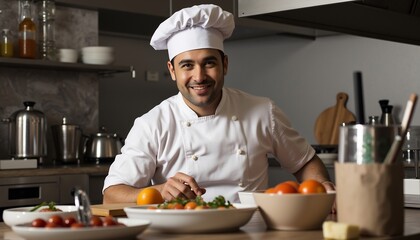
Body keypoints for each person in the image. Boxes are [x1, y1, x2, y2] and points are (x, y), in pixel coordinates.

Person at [103, 4, 334, 204]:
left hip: (253, 230)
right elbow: (112, 194)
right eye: (187, 66)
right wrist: (159, 191)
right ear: (172, 71)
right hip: (183, 234)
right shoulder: (152, 124)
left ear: (225, 64)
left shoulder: (263, 111)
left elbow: (305, 163)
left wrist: (322, 184)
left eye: (209, 63)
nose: (199, 76)